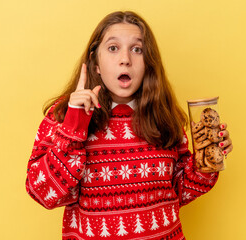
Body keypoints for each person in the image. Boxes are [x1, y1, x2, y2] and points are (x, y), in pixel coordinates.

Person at [25, 11, 233, 240]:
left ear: (148, 64)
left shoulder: (163, 116)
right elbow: (42, 193)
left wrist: (208, 160)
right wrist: (73, 129)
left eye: (137, 49)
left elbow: (179, 191)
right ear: (96, 63)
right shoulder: (64, 115)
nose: (126, 59)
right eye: (113, 48)